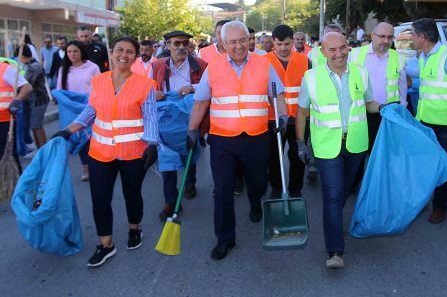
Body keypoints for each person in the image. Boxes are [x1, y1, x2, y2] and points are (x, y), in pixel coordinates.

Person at [52, 36, 158, 268]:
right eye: (120, 50)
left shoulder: (145, 84)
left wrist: (152, 143)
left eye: (130, 52)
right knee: (100, 198)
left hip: (133, 153)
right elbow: (91, 110)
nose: (124, 55)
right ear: (112, 53)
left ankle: (134, 228)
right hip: (100, 152)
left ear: (135, 57)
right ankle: (106, 244)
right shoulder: (99, 80)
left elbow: (150, 115)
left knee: (132, 194)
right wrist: (69, 130)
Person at [186, 21, 288, 261]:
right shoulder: (213, 68)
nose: (239, 46)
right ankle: (225, 239)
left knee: (258, 182)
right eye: (232, 42)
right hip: (223, 140)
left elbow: (278, 95)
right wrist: (191, 130)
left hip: (256, 137)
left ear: (248, 39)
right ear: (222, 44)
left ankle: (255, 202)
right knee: (222, 190)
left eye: (243, 40)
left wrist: (282, 115)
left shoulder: (264, 64)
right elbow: (201, 102)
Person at [295, 32, 383, 269]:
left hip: (355, 144)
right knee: (332, 195)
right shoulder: (311, 77)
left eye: (343, 48)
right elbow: (302, 112)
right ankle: (334, 250)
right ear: (323, 52)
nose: (339, 54)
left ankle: (334, 219)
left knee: (344, 190)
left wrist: (387, 109)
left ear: (349, 48)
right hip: (327, 146)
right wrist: (301, 142)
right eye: (332, 50)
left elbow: (368, 104)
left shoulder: (361, 73)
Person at [409, 18, 447, 224]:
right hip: (426, 122)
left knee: (444, 166)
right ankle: (423, 200)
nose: (410, 38)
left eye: (412, 34)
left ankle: (440, 207)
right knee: (426, 164)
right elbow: (423, 79)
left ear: (422, 37)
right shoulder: (424, 56)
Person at [151, 30, 208, 220]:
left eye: (185, 44)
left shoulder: (200, 65)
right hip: (166, 120)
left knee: (189, 153)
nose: (181, 47)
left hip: (191, 117)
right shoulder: (157, 65)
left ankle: (190, 181)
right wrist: (154, 92)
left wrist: (193, 88)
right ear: (167, 45)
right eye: (177, 44)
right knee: (167, 158)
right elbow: (146, 86)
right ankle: (171, 201)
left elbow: (211, 86)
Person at [348, 22, 407, 190]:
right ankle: (353, 185)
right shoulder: (356, 54)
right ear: (372, 36)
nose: (385, 40)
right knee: (356, 151)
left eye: (389, 37)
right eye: (382, 36)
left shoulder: (398, 58)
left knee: (381, 154)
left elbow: (402, 89)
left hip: (386, 115)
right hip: (359, 112)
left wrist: (401, 112)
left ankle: (376, 188)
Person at [265, 25, 310, 198]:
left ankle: (295, 189)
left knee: (298, 156)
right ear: (273, 43)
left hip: (299, 117)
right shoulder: (264, 61)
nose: (283, 48)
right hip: (273, 118)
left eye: (287, 44)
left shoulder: (305, 60)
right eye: (279, 44)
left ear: (293, 42)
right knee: (273, 157)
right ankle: (276, 188)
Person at [56, 40, 101, 181]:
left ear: (81, 52)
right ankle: (86, 169)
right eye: (69, 51)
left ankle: (99, 167)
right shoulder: (64, 69)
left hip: (90, 108)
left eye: (75, 51)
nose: (72, 54)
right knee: (80, 140)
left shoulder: (92, 67)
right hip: (71, 111)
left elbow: (100, 88)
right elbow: (60, 91)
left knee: (92, 139)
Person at [0, 58, 33, 173]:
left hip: (4, 120)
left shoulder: (6, 69)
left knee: (7, 155)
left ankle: (15, 184)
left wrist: (17, 101)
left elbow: (27, 87)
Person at [16, 45, 49, 148]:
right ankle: (40, 148)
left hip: (39, 100)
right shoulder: (27, 65)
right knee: (33, 126)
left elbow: (27, 82)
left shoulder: (34, 66)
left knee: (36, 125)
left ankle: (43, 149)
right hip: (32, 100)